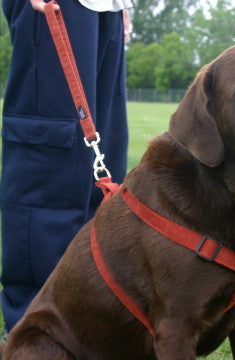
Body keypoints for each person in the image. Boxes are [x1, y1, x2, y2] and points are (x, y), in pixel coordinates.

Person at [0, 0, 131, 331]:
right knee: (50, 168)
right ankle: (34, 336)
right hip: (57, 6)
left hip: (106, 8)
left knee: (104, 168)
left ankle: (88, 327)